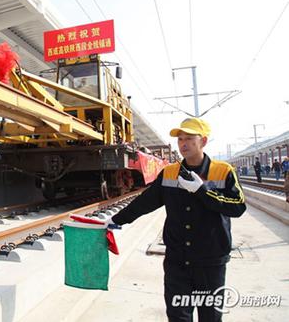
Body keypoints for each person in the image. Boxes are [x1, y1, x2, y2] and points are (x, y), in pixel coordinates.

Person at [103, 118, 246, 322]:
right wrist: (116, 219)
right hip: (177, 262)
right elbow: (146, 202)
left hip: (210, 261)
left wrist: (202, 191)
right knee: (178, 316)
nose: (183, 144)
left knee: (210, 316)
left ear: (203, 141)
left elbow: (237, 207)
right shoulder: (169, 173)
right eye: (180, 139)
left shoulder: (223, 171)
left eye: (189, 138)